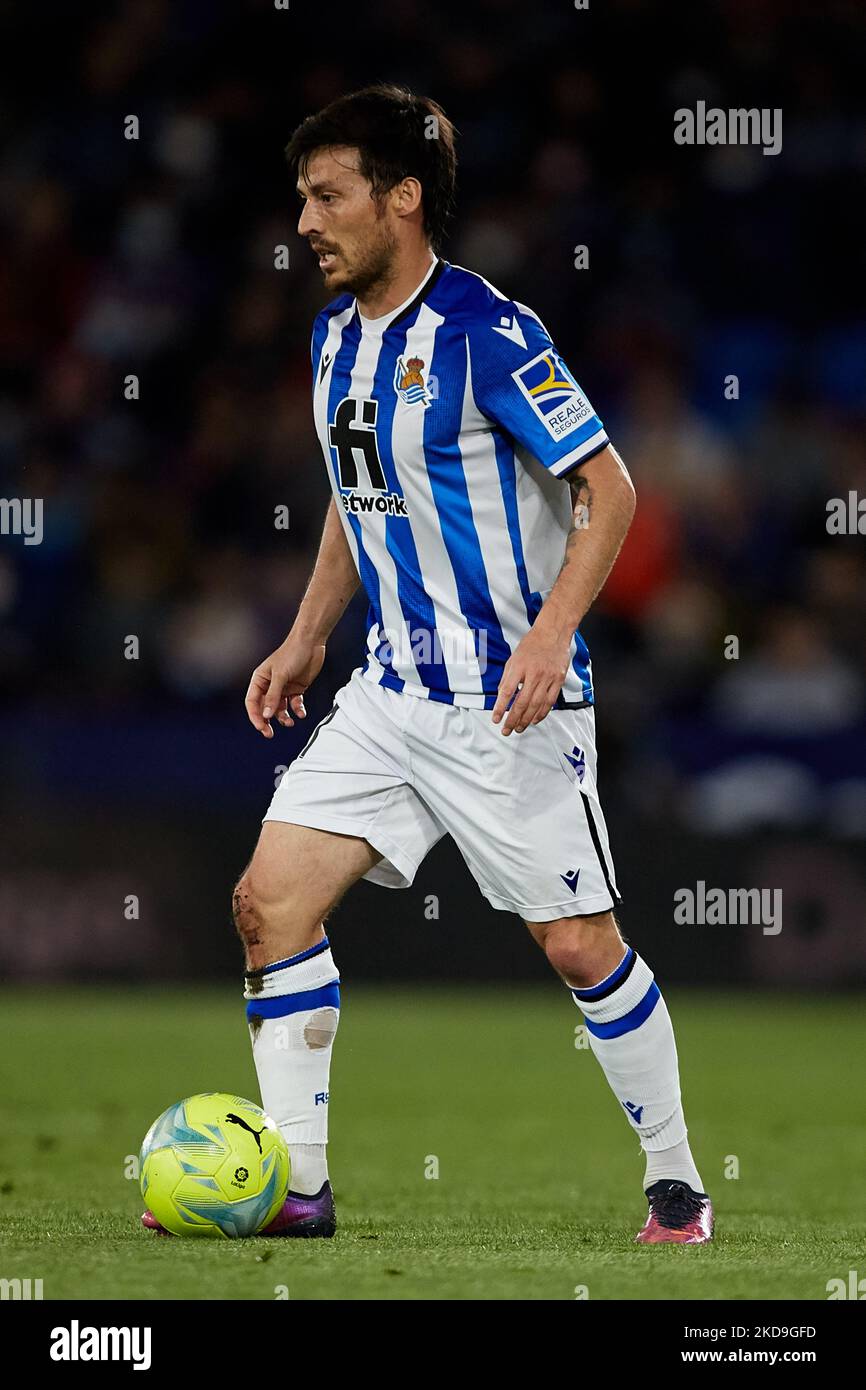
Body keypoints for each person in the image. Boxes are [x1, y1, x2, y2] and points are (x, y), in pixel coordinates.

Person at [143, 83, 712, 1245]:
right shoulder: (330, 337)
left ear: (400, 200)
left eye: (326, 196)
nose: (302, 221)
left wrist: (552, 632)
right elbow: (360, 502)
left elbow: (609, 487)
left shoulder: (487, 333)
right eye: (301, 197)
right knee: (267, 905)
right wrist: (307, 634)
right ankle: (297, 1191)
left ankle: (678, 1185)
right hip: (389, 698)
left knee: (576, 945)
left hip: (509, 702)